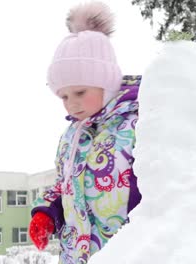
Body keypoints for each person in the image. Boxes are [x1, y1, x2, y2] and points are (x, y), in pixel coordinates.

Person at [29, 1, 142, 263]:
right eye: (64, 96)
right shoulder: (71, 137)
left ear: (107, 83)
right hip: (76, 255)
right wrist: (47, 213)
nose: (72, 103)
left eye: (80, 92)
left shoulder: (138, 124)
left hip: (127, 253)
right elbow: (63, 184)